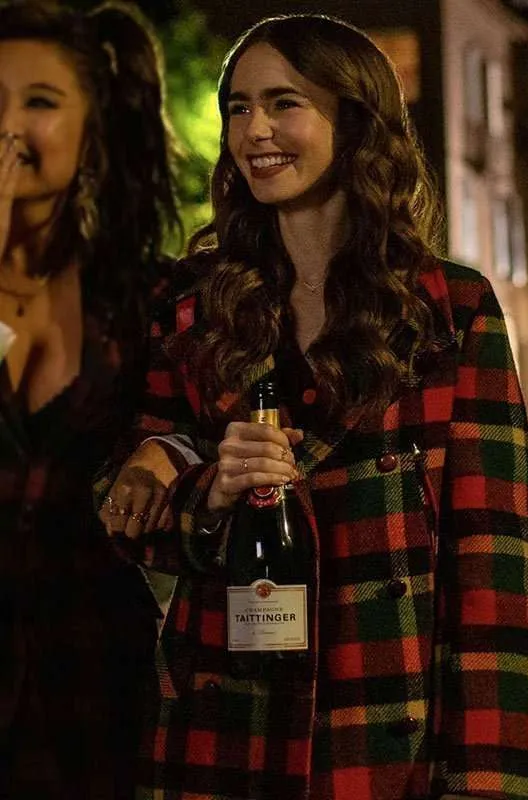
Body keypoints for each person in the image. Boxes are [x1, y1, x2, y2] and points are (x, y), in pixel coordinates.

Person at [102, 13, 528, 800]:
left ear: (357, 120)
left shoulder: (449, 310)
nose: (253, 131)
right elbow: (131, 519)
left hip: (381, 737)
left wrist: (488, 783)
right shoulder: (195, 304)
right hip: (223, 734)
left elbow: (494, 572)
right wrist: (210, 493)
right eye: (238, 107)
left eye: (284, 103)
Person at [0, 1, 182, 797]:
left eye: (39, 102)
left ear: (93, 125)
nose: (8, 128)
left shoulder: (146, 298)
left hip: (93, 687)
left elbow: (190, 437)